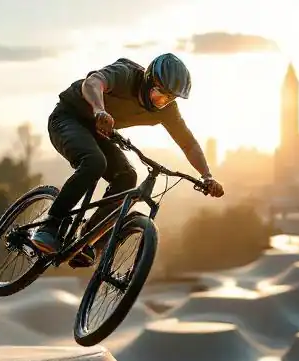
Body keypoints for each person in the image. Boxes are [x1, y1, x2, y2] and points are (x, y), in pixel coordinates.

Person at [31, 53, 224, 266]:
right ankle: (50, 224)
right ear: (148, 79)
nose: (161, 102)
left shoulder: (167, 110)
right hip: (68, 118)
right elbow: (92, 83)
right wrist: (99, 110)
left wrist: (207, 176)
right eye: (159, 94)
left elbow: (189, 144)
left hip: (99, 132)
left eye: (169, 99)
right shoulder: (126, 75)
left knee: (127, 178)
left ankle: (86, 239)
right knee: (95, 162)